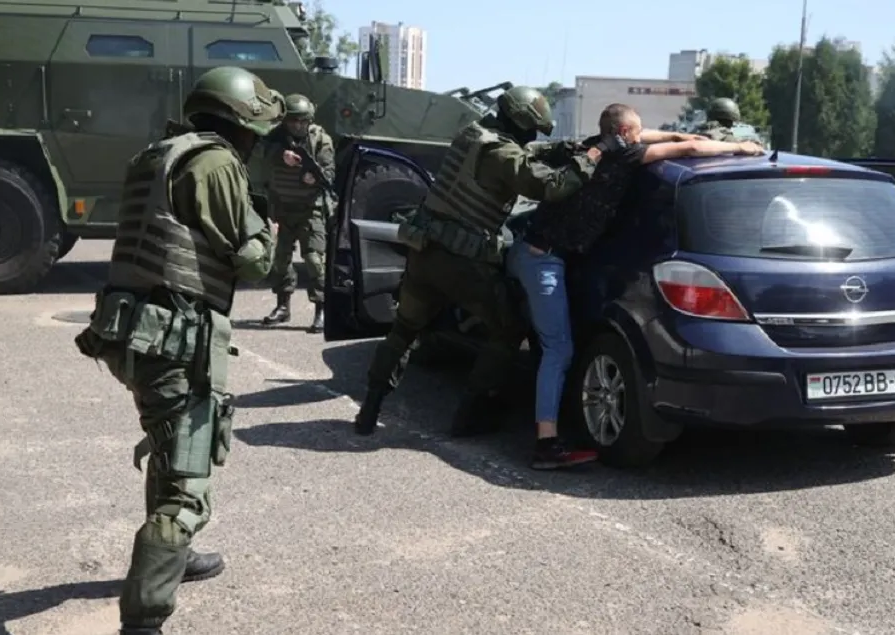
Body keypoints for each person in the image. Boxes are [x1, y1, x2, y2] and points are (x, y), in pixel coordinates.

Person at [72, 66, 284, 635]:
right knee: (187, 496)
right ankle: (143, 622)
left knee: (171, 449)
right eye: (257, 134)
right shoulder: (215, 162)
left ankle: (176, 560)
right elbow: (251, 260)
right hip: (172, 341)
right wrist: (270, 232)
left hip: (134, 330)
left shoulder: (160, 153)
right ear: (241, 121)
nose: (256, 144)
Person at [508, 103, 765, 469]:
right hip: (543, 260)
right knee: (559, 349)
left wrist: (688, 136)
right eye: (637, 132)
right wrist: (742, 149)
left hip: (532, 249)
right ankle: (546, 445)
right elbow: (688, 151)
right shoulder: (622, 158)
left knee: (523, 333)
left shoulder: (596, 144)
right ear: (626, 135)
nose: (641, 136)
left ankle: (500, 393)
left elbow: (678, 141)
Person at [351, 85, 600, 440]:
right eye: (530, 129)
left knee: (404, 329)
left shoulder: (472, 133)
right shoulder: (502, 154)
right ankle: (471, 416)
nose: (531, 136)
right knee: (508, 328)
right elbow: (550, 186)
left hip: (424, 250)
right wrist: (587, 159)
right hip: (461, 263)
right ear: (518, 122)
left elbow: (518, 153)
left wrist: (558, 148)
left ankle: (369, 410)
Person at [254, 93, 336, 333]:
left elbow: (330, 173)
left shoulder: (320, 139)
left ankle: (321, 310)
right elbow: (259, 151)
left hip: (310, 209)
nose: (298, 125)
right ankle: (283, 306)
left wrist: (315, 178)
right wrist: (282, 155)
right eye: (293, 121)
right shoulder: (275, 136)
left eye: (302, 121)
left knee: (313, 260)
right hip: (281, 207)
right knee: (280, 260)